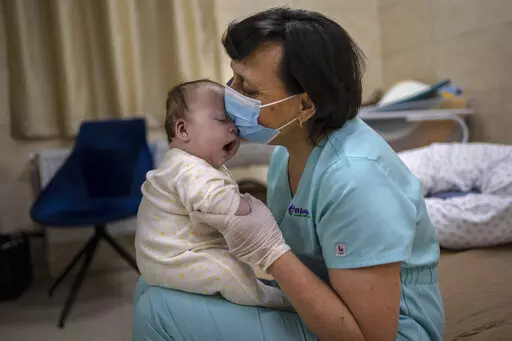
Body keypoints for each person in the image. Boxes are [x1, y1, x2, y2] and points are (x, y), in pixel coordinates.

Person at [133, 7, 444, 341]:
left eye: (249, 90)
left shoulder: (356, 180)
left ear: (305, 106)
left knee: (158, 310)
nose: (230, 96)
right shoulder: (287, 152)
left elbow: (371, 337)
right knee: (156, 279)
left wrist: (271, 252)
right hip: (324, 297)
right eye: (233, 78)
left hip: (391, 332)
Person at [135, 79, 290, 308]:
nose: (234, 128)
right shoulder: (190, 168)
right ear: (183, 129)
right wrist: (250, 207)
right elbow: (220, 203)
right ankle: (267, 300)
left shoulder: (183, 163)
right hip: (177, 259)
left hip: (162, 258)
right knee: (228, 270)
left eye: (234, 122)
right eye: (221, 120)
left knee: (233, 263)